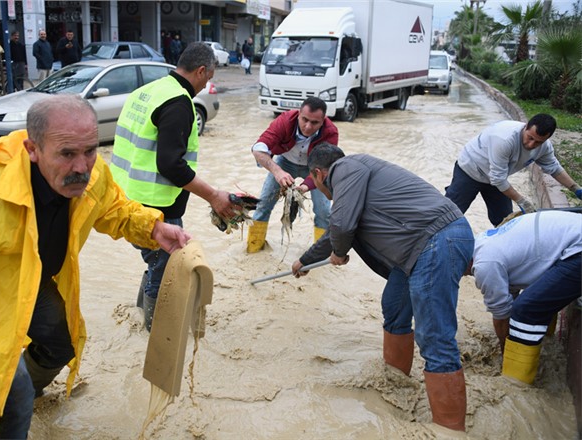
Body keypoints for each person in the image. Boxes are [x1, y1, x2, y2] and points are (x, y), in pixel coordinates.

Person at [0, 94, 190, 439]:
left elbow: (112, 208)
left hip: (37, 279)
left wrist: (154, 228)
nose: (82, 167)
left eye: (90, 150)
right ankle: (5, 397)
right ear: (33, 149)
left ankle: (22, 389)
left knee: (62, 344)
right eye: (66, 154)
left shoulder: (90, 176)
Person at [291, 143, 473, 432]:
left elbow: (341, 225)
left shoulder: (346, 169)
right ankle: (396, 383)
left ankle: (449, 429)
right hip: (420, 249)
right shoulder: (355, 177)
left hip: (437, 241)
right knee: (395, 308)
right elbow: (336, 231)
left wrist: (339, 252)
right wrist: (304, 260)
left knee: (435, 337)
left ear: (318, 174)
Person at [111, 42, 239, 332]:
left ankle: (141, 315)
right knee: (165, 267)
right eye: (209, 78)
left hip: (125, 200)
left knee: (155, 260)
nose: (208, 84)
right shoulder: (179, 103)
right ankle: (157, 332)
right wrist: (213, 196)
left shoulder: (147, 91)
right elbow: (170, 164)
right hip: (156, 206)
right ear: (201, 70)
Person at [467, 210, 581, 385]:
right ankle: (547, 340)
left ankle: (515, 383)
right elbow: (508, 298)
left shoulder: (484, 264)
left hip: (577, 249)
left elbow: (502, 315)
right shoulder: (482, 242)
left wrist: (506, 353)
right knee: (537, 293)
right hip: (573, 243)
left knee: (526, 310)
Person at [444, 114, 582, 226]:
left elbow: (554, 168)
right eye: (530, 138)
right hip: (470, 170)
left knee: (505, 221)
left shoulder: (544, 147)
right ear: (526, 126)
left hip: (496, 179)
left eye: (538, 142)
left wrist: (576, 189)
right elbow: (498, 178)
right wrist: (521, 201)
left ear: (546, 139)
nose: (531, 144)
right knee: (449, 216)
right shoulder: (504, 139)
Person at [247, 97, 339, 253]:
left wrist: (304, 187)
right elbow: (258, 149)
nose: (308, 126)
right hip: (284, 162)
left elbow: (324, 168)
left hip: (314, 168)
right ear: (298, 114)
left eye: (315, 123)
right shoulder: (284, 121)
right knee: (263, 204)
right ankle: (253, 249)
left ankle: (320, 256)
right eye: (305, 120)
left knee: (324, 212)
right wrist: (277, 171)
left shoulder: (330, 132)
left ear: (323, 121)